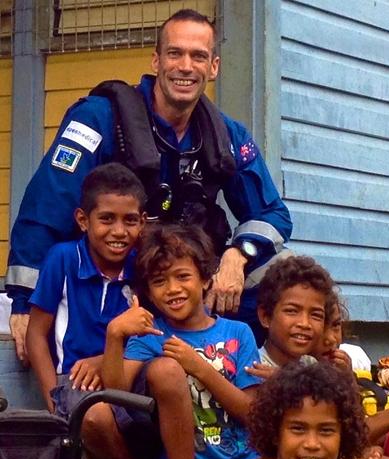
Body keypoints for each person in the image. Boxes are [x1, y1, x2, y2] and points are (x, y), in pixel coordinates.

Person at [7, 8, 292, 365]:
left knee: (287, 272)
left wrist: (238, 255)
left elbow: (273, 214)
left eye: (198, 56)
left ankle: (267, 388)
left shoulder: (228, 136)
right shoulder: (99, 118)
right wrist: (22, 303)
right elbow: (46, 204)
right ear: (157, 60)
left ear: (213, 67)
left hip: (189, 281)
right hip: (118, 281)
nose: (185, 66)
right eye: (175, 53)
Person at [102, 224, 261, 459]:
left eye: (183, 276)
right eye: (159, 281)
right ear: (149, 292)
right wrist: (115, 334)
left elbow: (251, 412)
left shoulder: (238, 332)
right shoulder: (151, 335)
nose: (172, 289)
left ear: (206, 278)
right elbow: (116, 392)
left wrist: (199, 368)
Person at [24, 164, 148, 459]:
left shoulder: (144, 266)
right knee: (95, 416)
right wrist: (53, 400)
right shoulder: (63, 259)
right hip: (76, 381)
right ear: (83, 220)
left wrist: (105, 359)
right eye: (106, 219)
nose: (119, 232)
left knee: (166, 387)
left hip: (127, 372)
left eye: (130, 220)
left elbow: (152, 331)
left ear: (142, 222)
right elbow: (37, 335)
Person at [223, 361, 368, 459]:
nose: (312, 444)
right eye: (298, 429)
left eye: (326, 431)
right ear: (274, 432)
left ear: (344, 435)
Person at [254, 255, 336, 368]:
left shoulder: (312, 367)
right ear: (265, 316)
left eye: (316, 315)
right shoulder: (251, 367)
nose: (304, 324)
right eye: (292, 311)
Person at [313, 295, 372, 372]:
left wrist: (348, 378)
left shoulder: (353, 359)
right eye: (321, 327)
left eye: (336, 325)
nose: (331, 339)